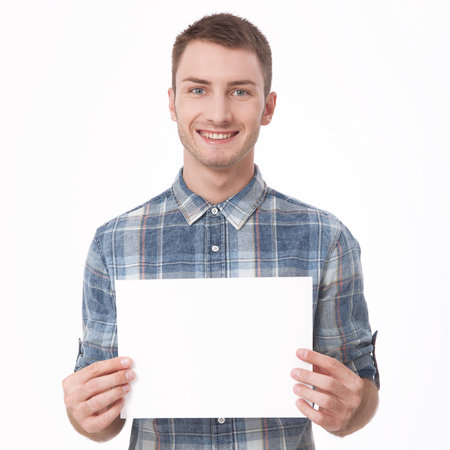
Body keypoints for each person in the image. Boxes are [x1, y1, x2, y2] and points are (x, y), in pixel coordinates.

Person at [62, 13, 379, 449]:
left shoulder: (325, 238)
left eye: (240, 91)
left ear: (267, 107)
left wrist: (353, 407)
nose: (218, 112)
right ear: (172, 103)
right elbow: (103, 420)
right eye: (198, 89)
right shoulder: (114, 244)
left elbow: (357, 400)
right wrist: (85, 413)